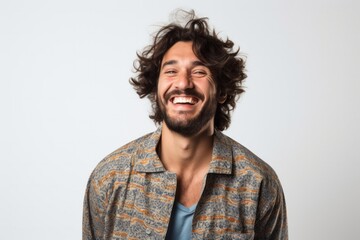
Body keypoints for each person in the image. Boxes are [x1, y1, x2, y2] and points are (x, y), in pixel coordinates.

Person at [83, 10, 288, 240]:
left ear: (221, 91)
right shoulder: (110, 178)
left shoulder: (258, 183)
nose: (183, 82)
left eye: (199, 71)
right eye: (171, 71)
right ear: (155, 87)